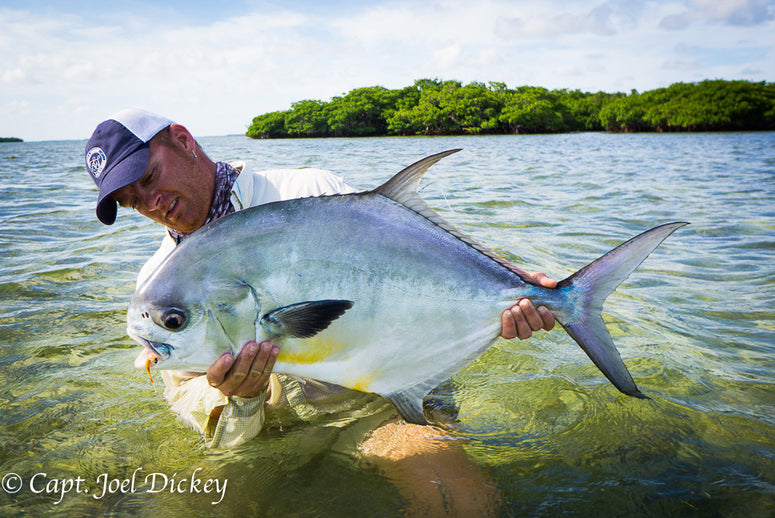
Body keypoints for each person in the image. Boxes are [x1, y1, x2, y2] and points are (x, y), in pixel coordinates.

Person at [85, 108, 556, 512]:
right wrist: (241, 398)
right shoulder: (158, 294)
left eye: (148, 178)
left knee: (463, 505)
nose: (151, 204)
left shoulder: (308, 190)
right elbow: (203, 417)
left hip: (378, 407)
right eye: (132, 202)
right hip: (276, 437)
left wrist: (513, 286)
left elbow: (414, 254)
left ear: (184, 140)